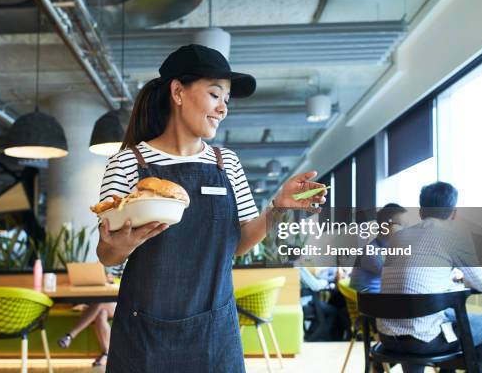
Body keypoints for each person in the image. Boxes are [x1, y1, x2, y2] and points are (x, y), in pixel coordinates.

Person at [96, 44, 327, 372]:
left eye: (227, 100)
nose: (223, 109)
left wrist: (277, 207)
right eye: (215, 95)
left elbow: (240, 242)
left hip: (214, 332)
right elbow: (107, 255)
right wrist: (120, 246)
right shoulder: (127, 163)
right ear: (178, 91)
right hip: (143, 335)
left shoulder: (226, 162)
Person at [378, 181, 482, 373]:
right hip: (424, 340)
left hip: (387, 337)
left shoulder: (398, 238)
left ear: (420, 212)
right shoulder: (453, 236)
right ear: (454, 213)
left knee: (430, 317)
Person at [56, 266, 124, 366]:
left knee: (100, 303)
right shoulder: (105, 262)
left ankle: (70, 335)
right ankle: (106, 354)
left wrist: (115, 280)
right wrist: (104, 279)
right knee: (101, 314)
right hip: (107, 300)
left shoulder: (131, 260)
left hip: (121, 302)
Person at [350, 203, 407, 293]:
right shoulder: (371, 251)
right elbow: (398, 276)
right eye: (401, 224)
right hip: (367, 303)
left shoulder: (387, 247)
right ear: (385, 226)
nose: (406, 229)